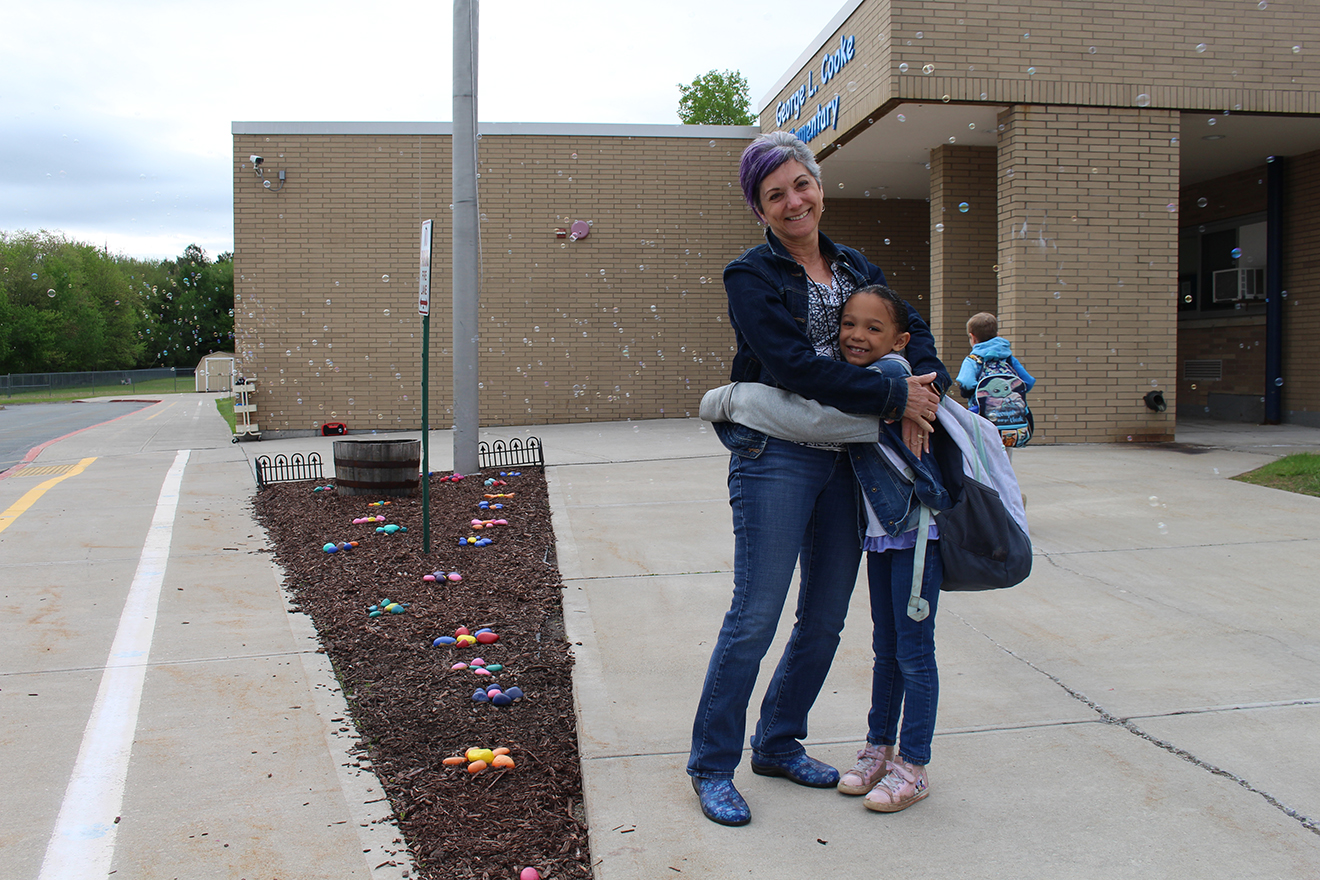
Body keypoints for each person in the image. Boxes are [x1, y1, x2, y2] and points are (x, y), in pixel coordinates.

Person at [688, 130, 949, 827]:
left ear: (818, 186)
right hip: (774, 455)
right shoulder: (750, 275)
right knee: (755, 616)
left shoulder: (855, 264)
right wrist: (895, 399)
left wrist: (930, 384)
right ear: (761, 209)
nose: (793, 201)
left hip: (844, 462)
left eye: (801, 184)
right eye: (776, 194)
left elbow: (912, 334)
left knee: (827, 619)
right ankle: (712, 766)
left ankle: (776, 741)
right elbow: (790, 367)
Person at [955, 312, 1036, 451]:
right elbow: (1028, 382)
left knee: (983, 454)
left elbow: (966, 383)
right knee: (1005, 454)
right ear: (997, 334)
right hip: (1010, 422)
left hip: (984, 419)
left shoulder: (973, 360)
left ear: (972, 338)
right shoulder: (1008, 358)